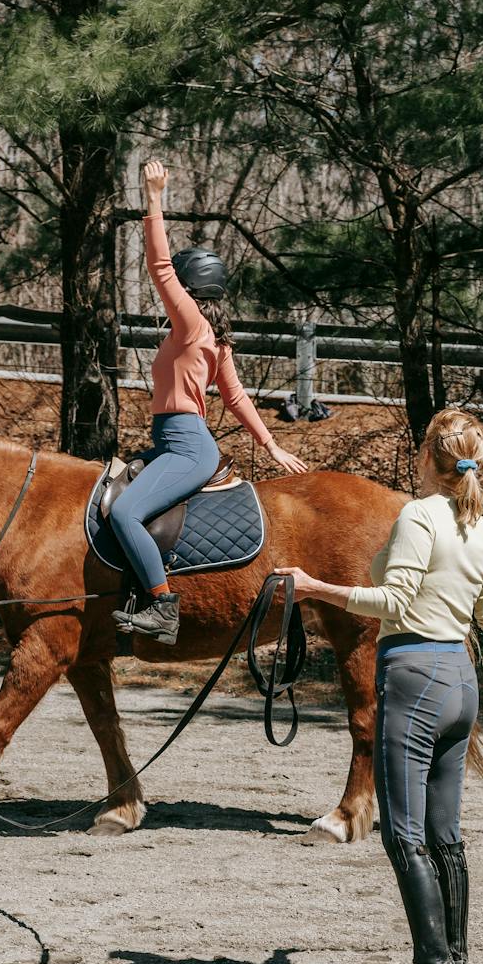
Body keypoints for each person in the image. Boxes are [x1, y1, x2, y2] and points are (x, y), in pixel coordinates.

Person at [275, 409, 483, 964]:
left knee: (403, 833)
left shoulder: (419, 516)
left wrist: (317, 589)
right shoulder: (480, 527)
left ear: (426, 458)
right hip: (459, 684)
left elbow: (391, 599)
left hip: (416, 677)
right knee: (444, 834)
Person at [113, 159, 308, 644]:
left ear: (190, 287)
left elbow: (158, 267)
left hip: (185, 445)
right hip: (175, 442)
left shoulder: (191, 324)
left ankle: (162, 607)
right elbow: (236, 396)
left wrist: (154, 197)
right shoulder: (213, 336)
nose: (171, 290)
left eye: (180, 284)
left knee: (123, 513)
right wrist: (270, 444)